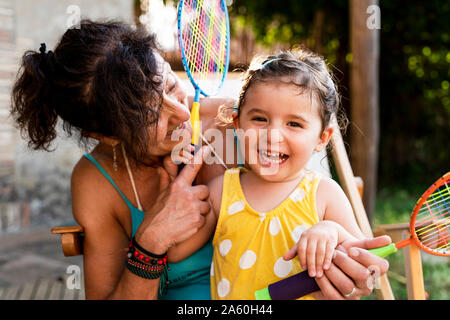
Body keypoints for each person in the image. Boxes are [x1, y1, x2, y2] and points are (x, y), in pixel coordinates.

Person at [10, 19, 389, 300]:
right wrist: (151, 239)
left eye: (172, 86)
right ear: (106, 137)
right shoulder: (97, 181)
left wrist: (338, 252)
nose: (180, 111)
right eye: (151, 115)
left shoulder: (243, 124)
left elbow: (314, 206)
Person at [167, 49, 388, 300]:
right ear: (238, 125)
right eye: (260, 119)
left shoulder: (325, 195)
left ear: (321, 138)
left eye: (294, 124)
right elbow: (175, 253)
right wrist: (175, 178)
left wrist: (332, 231)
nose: (272, 135)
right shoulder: (221, 191)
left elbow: (365, 267)